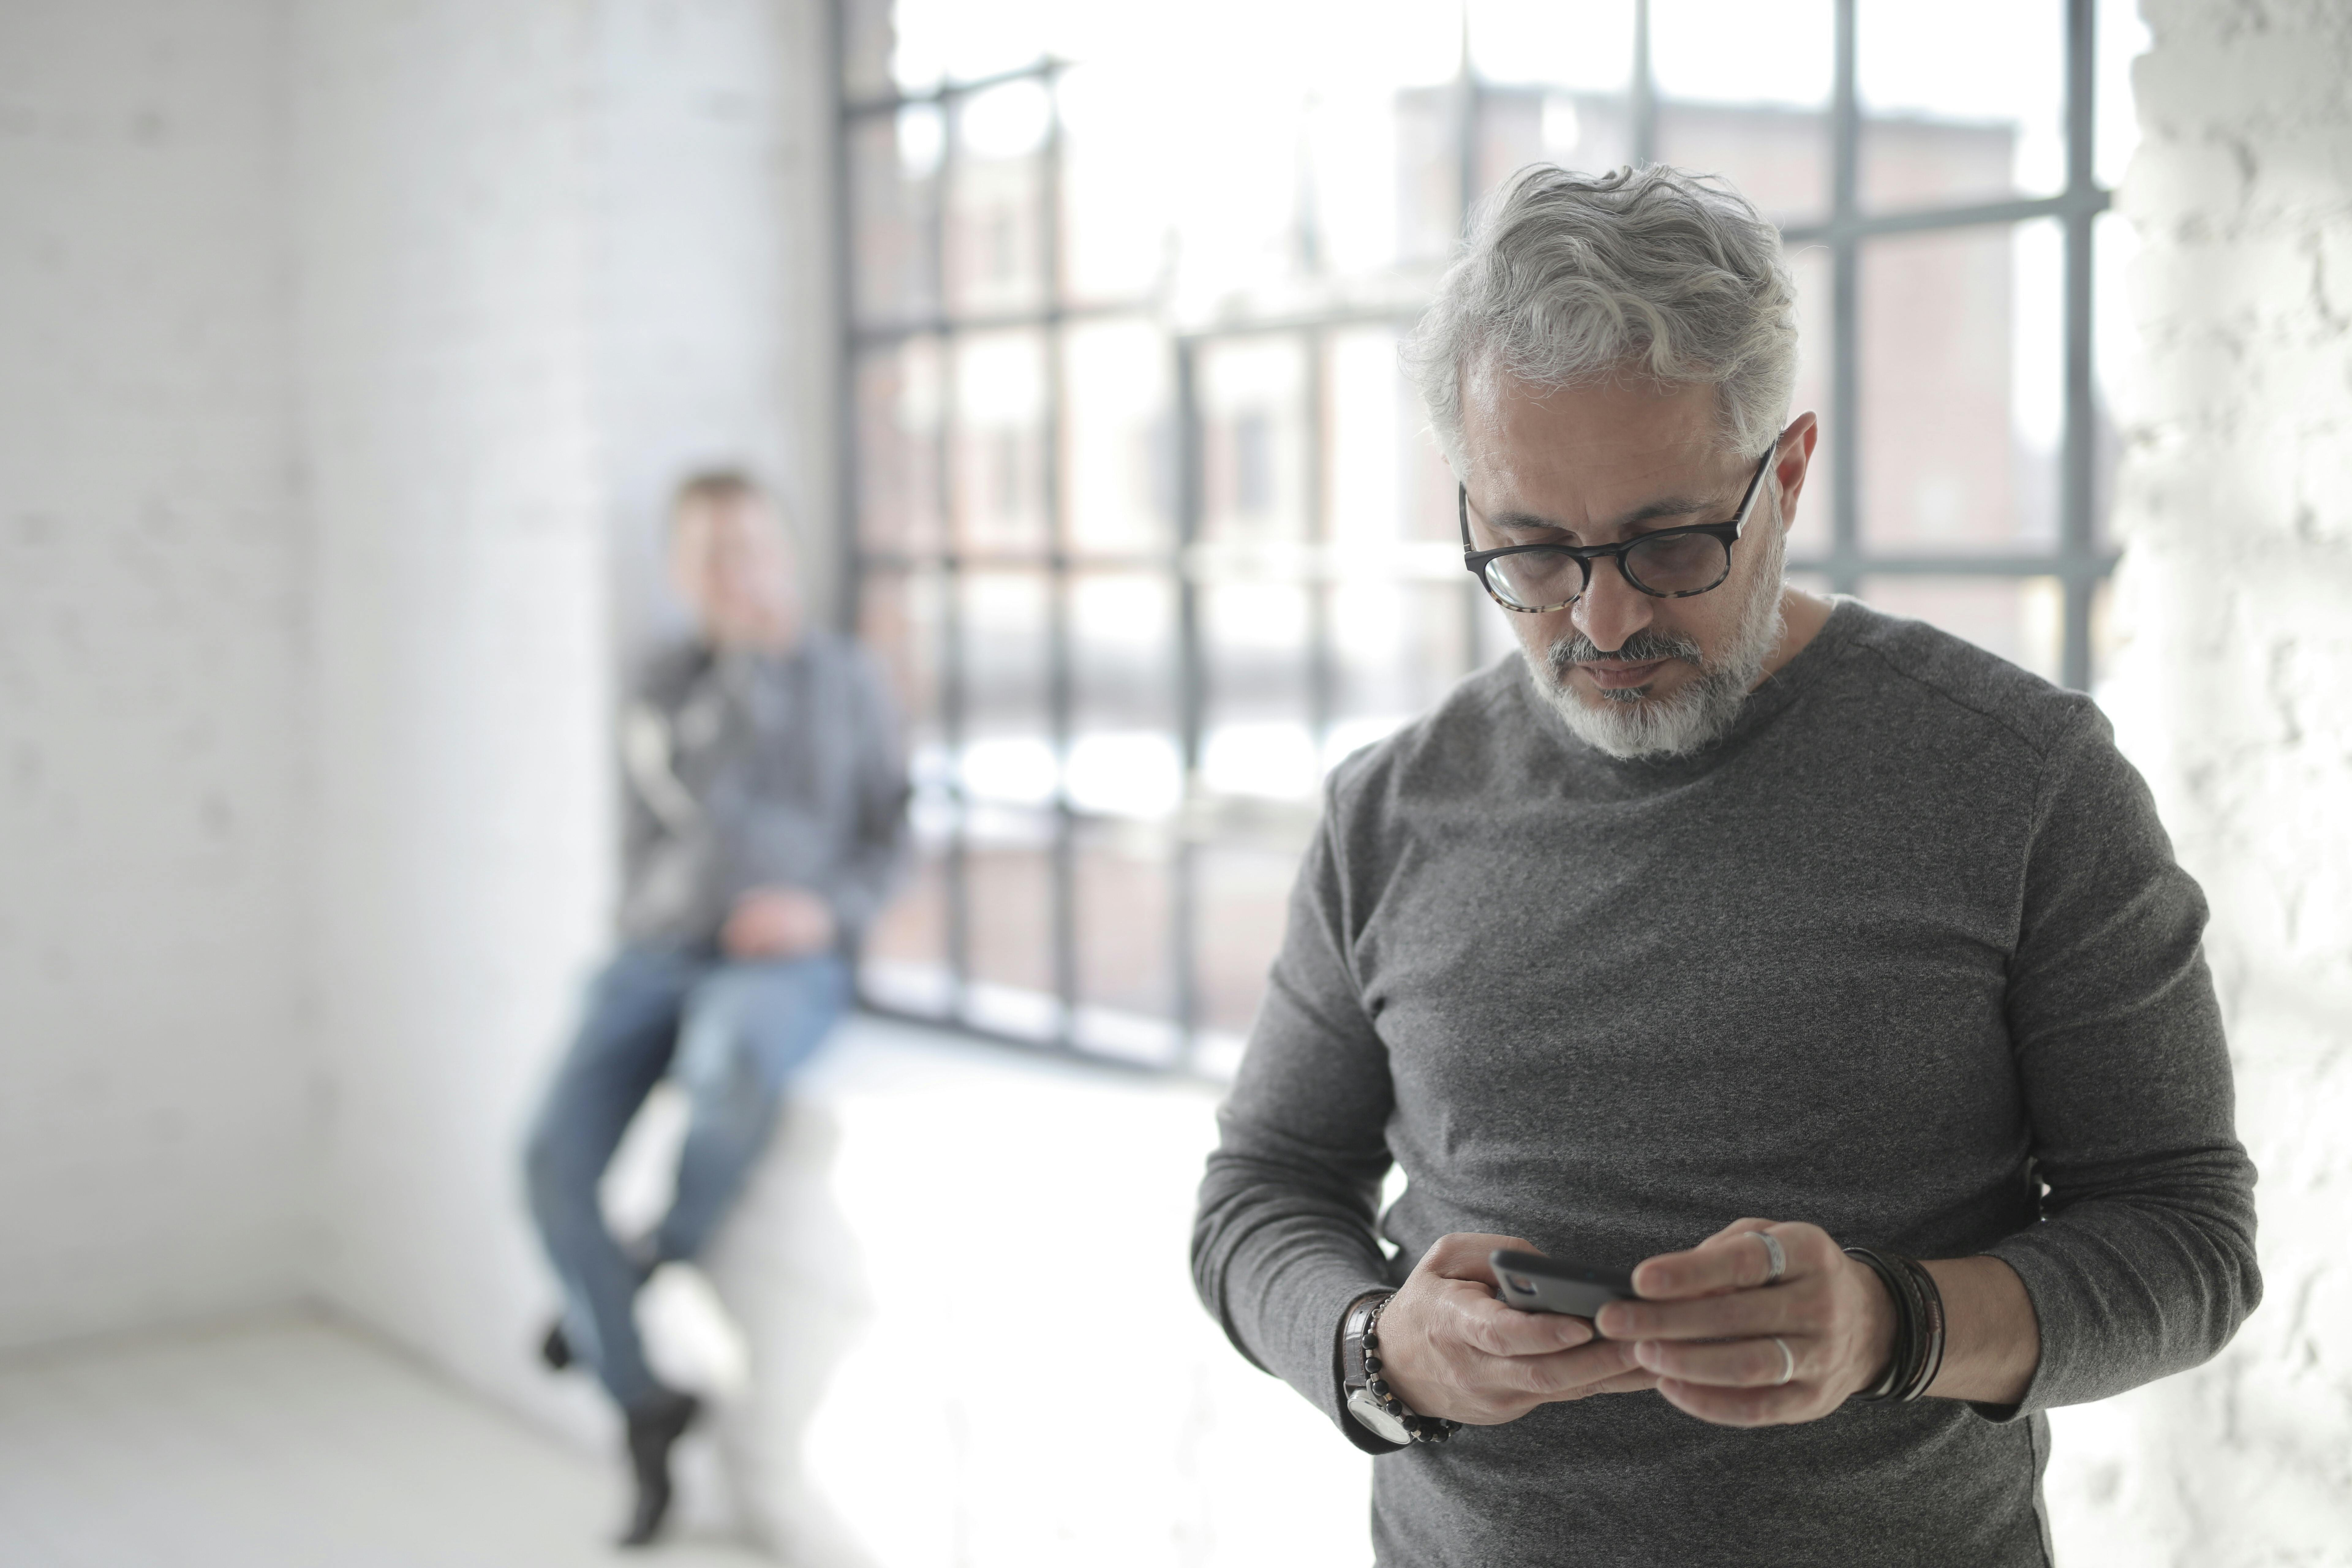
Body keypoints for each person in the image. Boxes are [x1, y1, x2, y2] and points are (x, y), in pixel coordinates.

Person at [1190, 165, 2260, 1566]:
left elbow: (2189, 1236)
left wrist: (1894, 1324)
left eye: (1672, 540)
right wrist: (1379, 1347)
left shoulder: (2023, 781)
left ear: (1791, 470)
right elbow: (1260, 1190)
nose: (1607, 613)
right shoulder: (1389, 808)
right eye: (1532, 551)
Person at [525, 471, 907, 1546]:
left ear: (787, 550)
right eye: (711, 558)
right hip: (656, 952)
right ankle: (644, 1401)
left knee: (730, 1064)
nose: (738, 573)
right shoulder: (663, 685)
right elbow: (700, 802)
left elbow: (891, 833)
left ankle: (643, 1264)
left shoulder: (852, 680)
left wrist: (822, 911)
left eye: (752, 548)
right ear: (680, 575)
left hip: (781, 965)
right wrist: (745, 667)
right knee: (549, 1160)